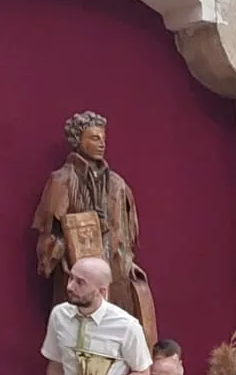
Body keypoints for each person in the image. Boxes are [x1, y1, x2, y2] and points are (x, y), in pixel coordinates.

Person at [31, 112, 153, 337]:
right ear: (78, 140)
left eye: (103, 138)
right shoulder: (62, 181)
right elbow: (47, 238)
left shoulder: (117, 184)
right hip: (78, 277)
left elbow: (124, 235)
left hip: (115, 278)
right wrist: (64, 254)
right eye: (94, 138)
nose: (101, 143)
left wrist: (128, 262)